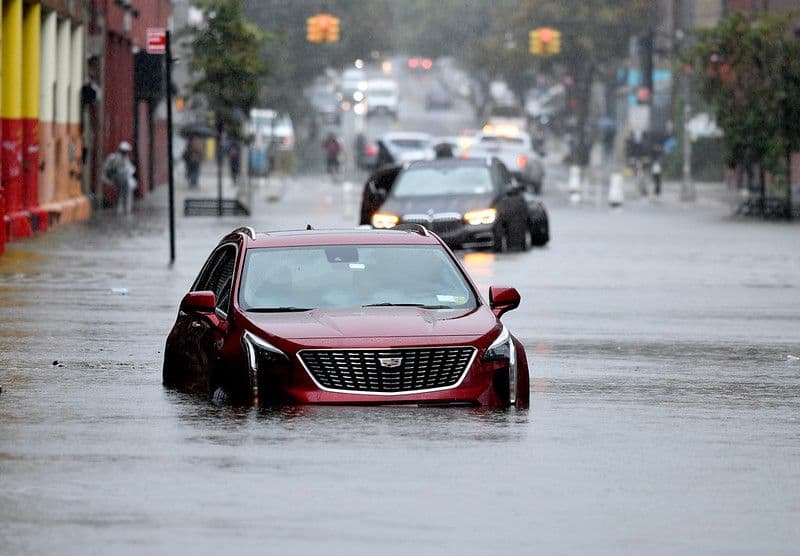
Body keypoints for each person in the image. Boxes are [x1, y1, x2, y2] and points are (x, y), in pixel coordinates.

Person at [102, 141, 136, 215]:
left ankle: (122, 209)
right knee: (123, 194)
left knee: (121, 194)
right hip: (120, 178)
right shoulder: (115, 158)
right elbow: (109, 168)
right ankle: (124, 210)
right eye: (126, 151)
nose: (126, 153)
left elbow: (129, 168)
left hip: (121, 178)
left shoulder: (123, 158)